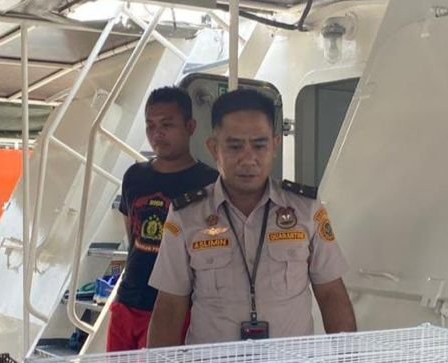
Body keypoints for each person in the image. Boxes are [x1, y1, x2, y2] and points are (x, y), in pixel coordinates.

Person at [147, 87, 356, 346]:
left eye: (259, 145)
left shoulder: (306, 209)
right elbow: (170, 306)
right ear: (214, 148)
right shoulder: (186, 217)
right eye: (234, 146)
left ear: (275, 145)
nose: (248, 159)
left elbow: (331, 294)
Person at [108, 87, 218, 352]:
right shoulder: (134, 176)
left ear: (190, 127)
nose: (157, 133)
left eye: (167, 125)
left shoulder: (209, 183)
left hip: (176, 308)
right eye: (151, 126)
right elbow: (133, 237)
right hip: (128, 301)